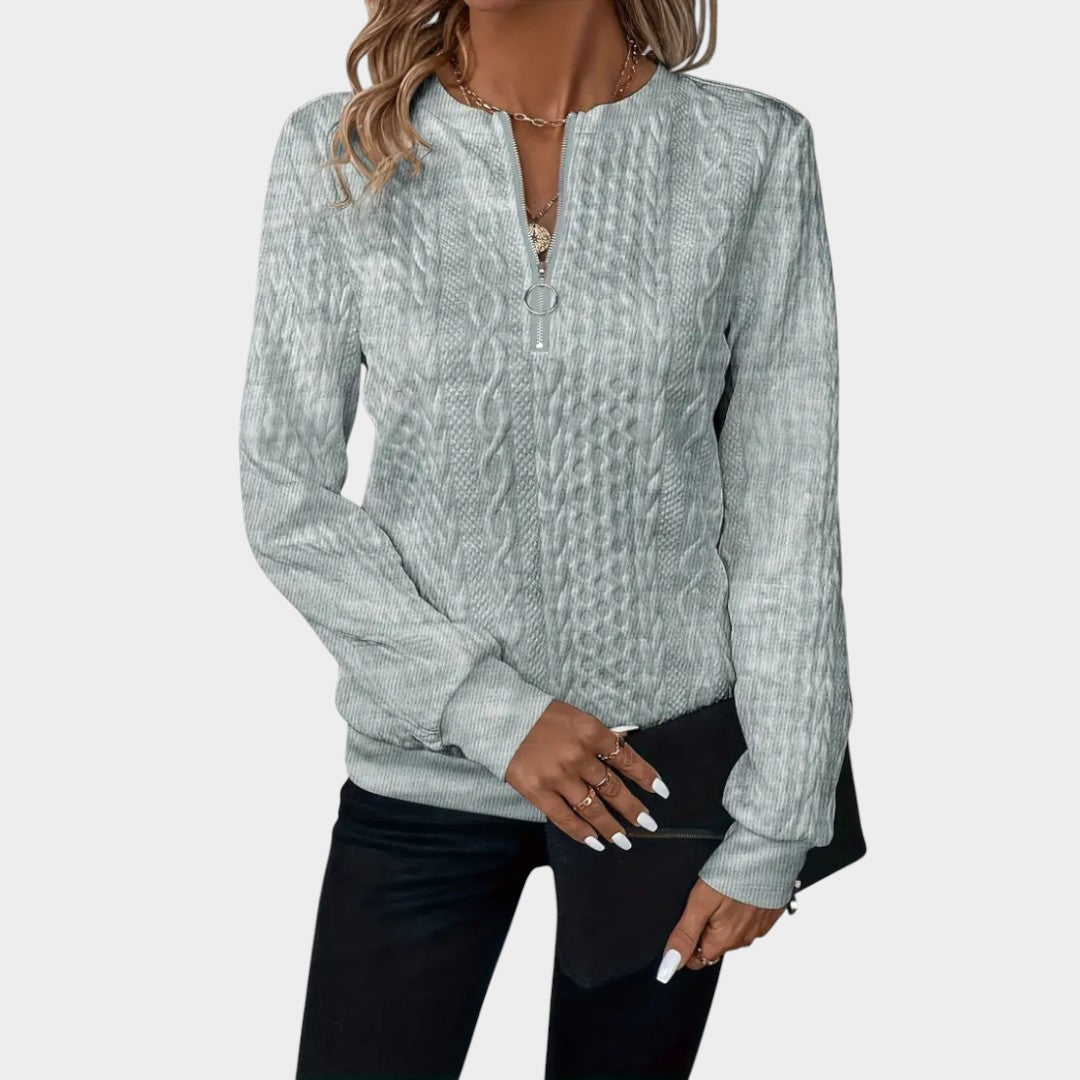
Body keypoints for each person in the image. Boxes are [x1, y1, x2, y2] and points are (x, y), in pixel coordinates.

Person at [238, 1, 856, 1076]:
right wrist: (493, 711)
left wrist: (781, 818)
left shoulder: (748, 151)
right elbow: (284, 494)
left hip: (661, 776)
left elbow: (787, 509)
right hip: (425, 773)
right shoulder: (339, 151)